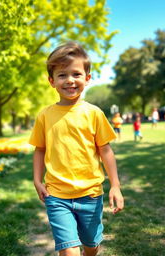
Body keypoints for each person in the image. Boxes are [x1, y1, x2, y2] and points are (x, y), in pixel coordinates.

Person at [29, 42, 124, 256]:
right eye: (62, 75)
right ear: (51, 81)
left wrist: (115, 185)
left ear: (87, 79)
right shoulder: (45, 115)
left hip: (90, 194)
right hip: (57, 195)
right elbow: (39, 150)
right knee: (69, 250)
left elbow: (106, 151)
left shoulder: (94, 113)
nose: (70, 80)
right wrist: (37, 180)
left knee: (91, 245)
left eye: (76, 74)